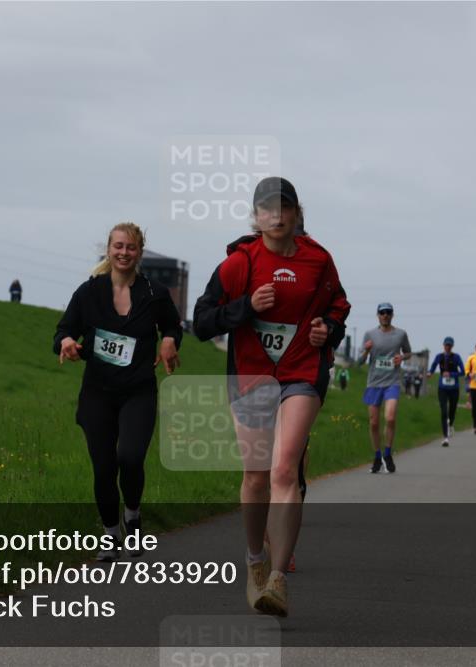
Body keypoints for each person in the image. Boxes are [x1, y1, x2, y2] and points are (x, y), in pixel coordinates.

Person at [193, 176, 350, 617]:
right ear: (255, 216)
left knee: (285, 470)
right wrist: (245, 308)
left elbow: (338, 305)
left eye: (284, 208)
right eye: (266, 209)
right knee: (257, 476)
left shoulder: (319, 259)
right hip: (251, 376)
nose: (275, 216)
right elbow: (202, 321)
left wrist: (329, 329)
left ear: (297, 213)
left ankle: (278, 580)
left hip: (301, 371)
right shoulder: (240, 263)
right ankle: (255, 560)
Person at [54, 222, 183, 562]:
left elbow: (172, 324)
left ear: (139, 252)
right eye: (118, 246)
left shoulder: (154, 293)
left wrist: (169, 339)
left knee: (129, 457)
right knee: (103, 465)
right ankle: (111, 533)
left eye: (130, 247)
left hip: (138, 391)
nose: (124, 253)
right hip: (98, 391)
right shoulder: (89, 291)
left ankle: (134, 517)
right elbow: (65, 328)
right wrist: (67, 342)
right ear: (109, 250)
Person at [358, 302, 412, 473]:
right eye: (382, 312)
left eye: (388, 312)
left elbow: (409, 352)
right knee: (374, 423)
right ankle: (377, 456)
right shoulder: (370, 334)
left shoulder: (400, 334)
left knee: (390, 418)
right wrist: (366, 351)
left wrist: (401, 358)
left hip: (392, 382)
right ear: (378, 315)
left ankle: (388, 453)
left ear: (392, 315)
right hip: (374, 382)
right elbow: (359, 361)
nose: (385, 315)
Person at [428, 336, 464, 446]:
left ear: (452, 346)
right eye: (446, 345)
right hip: (442, 388)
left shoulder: (456, 357)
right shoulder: (439, 356)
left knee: (452, 410)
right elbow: (433, 366)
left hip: (454, 388)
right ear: (443, 345)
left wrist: (452, 374)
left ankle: (451, 424)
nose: (447, 347)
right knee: (444, 411)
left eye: (449, 345)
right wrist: (430, 373)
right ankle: (445, 437)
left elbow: (463, 372)